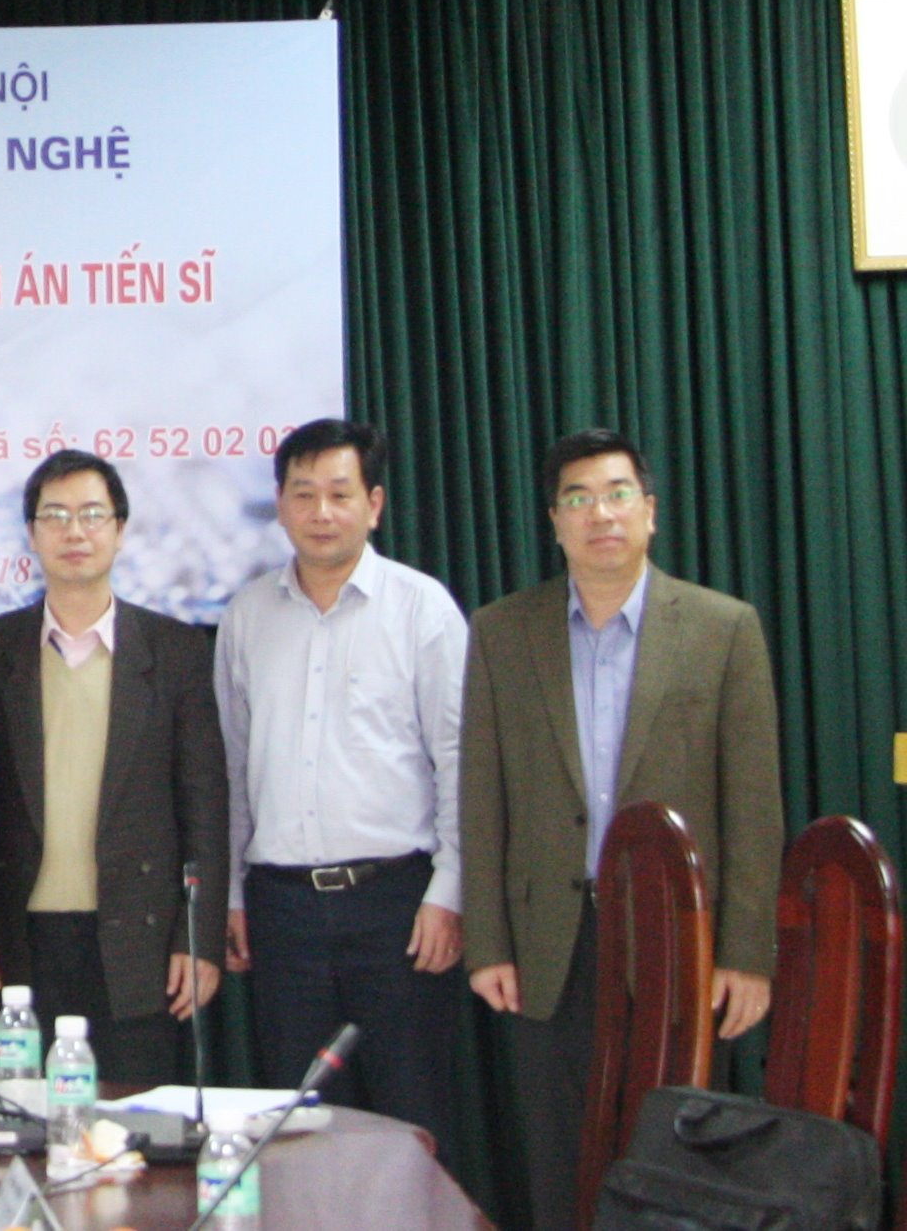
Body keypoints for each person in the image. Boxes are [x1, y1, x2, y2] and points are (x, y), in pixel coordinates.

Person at [461, 428, 784, 1231]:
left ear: (650, 511)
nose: (599, 513)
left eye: (616, 494)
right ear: (554, 521)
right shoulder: (502, 632)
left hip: (680, 937)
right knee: (561, 1155)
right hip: (548, 941)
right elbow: (483, 797)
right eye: (577, 499)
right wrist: (488, 942)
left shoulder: (723, 627)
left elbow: (753, 807)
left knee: (679, 1156)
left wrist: (746, 953)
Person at [214, 419, 466, 1152]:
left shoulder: (422, 608)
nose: (321, 512)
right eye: (303, 494)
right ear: (281, 506)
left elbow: (459, 758)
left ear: (374, 504)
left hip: (397, 907)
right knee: (297, 1128)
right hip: (281, 912)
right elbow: (232, 765)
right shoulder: (247, 616)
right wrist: (233, 894)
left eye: (339, 493)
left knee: (411, 1119)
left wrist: (450, 889)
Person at [0, 449, 229, 1085]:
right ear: (31, 534)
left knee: (136, 1121)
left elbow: (204, 804)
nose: (73, 532)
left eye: (91, 514)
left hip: (139, 938)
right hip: (21, 939)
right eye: (54, 516)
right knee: (25, 1120)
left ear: (120, 529)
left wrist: (198, 938)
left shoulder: (175, 650)